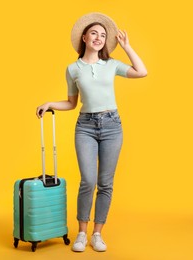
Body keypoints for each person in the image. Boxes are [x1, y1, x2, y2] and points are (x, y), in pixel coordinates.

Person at [36, 12, 147, 252]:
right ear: (84, 38)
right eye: (94, 33)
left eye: (103, 35)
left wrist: (127, 47)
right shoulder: (72, 69)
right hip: (85, 126)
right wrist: (50, 104)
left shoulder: (111, 65)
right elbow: (72, 103)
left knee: (105, 183)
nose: (98, 37)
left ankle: (97, 233)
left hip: (112, 126)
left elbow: (142, 71)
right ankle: (82, 234)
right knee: (88, 180)